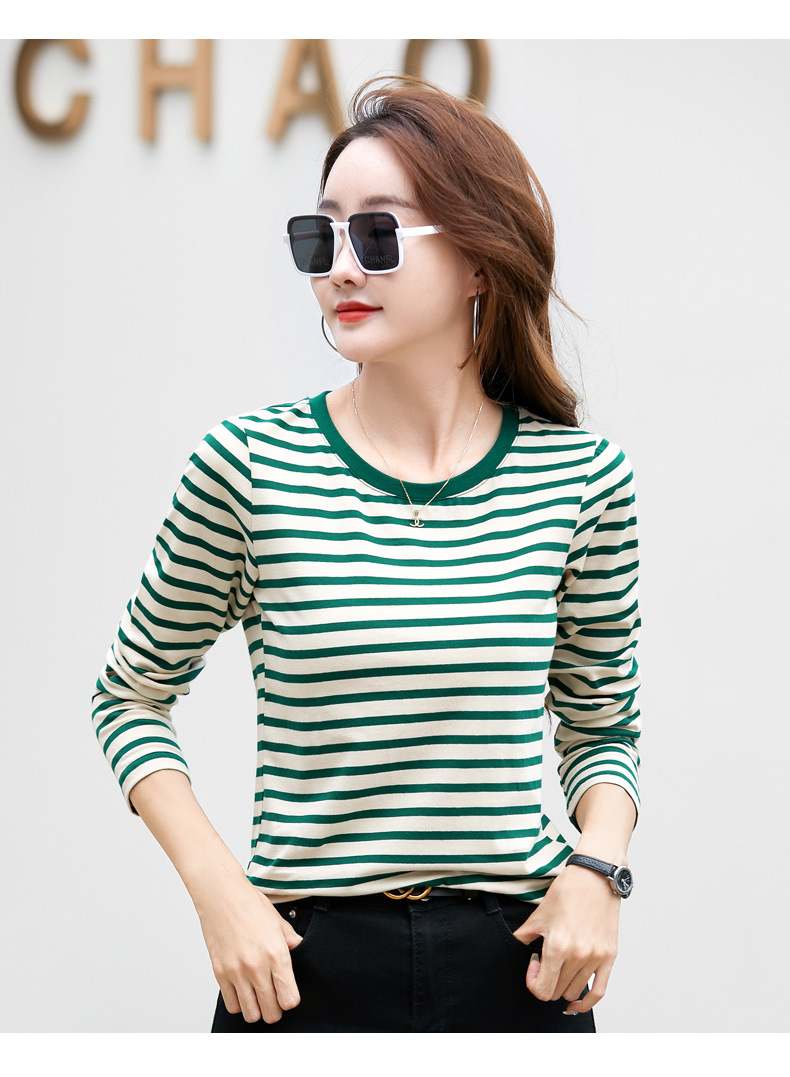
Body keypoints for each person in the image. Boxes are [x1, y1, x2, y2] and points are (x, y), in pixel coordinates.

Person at [91, 76, 642, 1034]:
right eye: (322, 237)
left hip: (519, 971)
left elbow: (602, 725)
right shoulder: (248, 464)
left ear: (478, 260)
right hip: (303, 975)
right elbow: (129, 695)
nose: (341, 268)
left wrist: (598, 872)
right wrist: (221, 893)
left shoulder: (582, 477)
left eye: (379, 234)